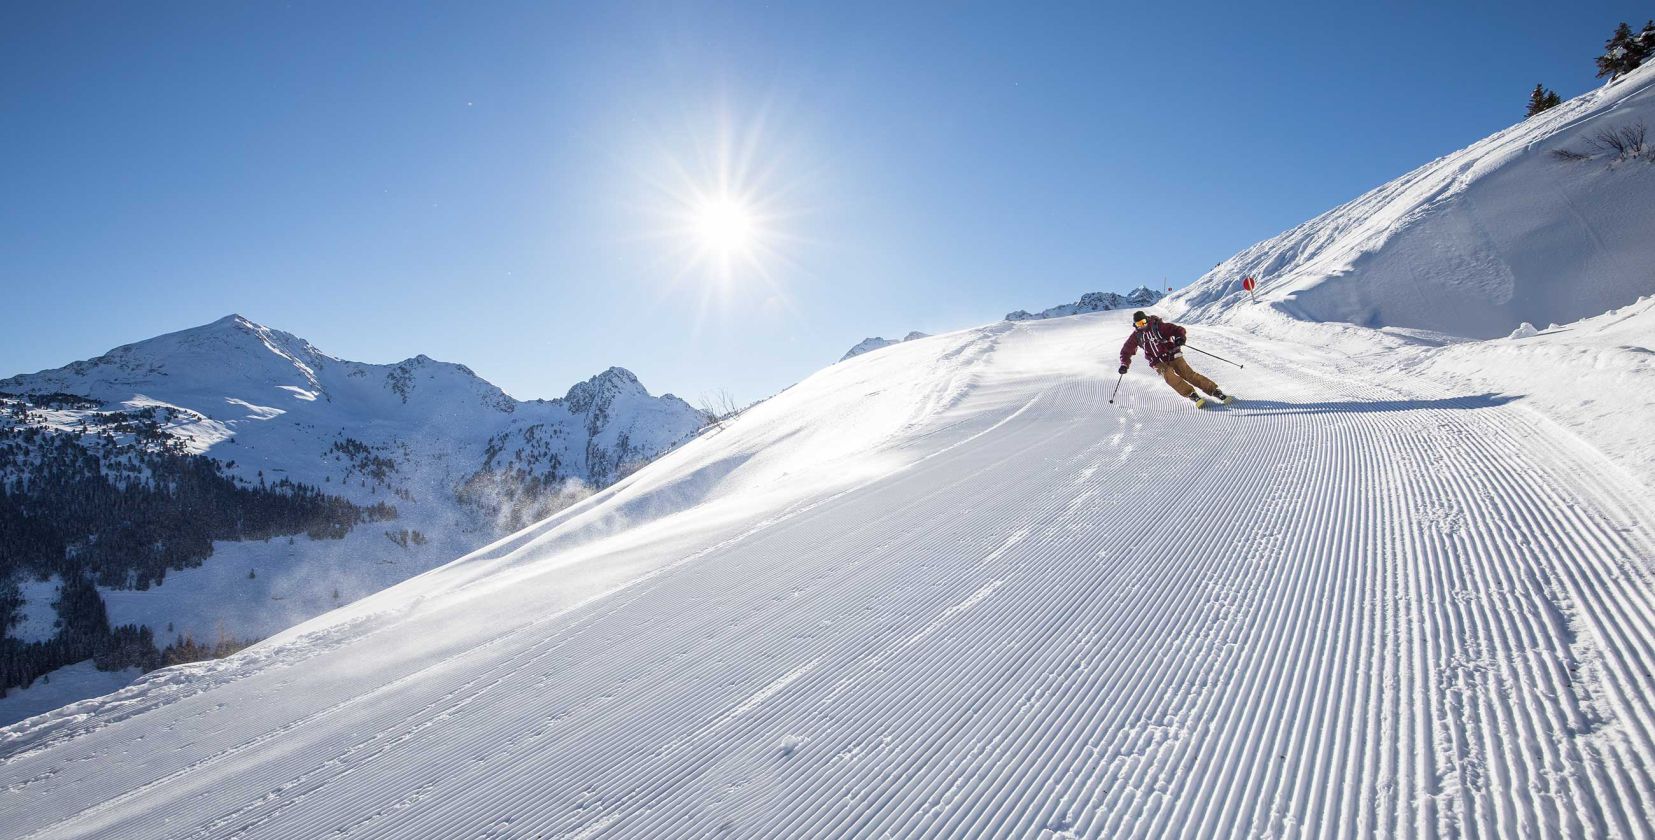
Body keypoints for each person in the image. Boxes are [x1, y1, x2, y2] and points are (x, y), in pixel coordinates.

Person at [1118, 311, 1232, 408]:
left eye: (1143, 322)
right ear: (1135, 325)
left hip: (1172, 354)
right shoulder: (1137, 336)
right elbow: (1126, 350)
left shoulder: (1158, 327)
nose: (1141, 325)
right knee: (1168, 375)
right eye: (1138, 324)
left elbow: (1178, 329)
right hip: (1157, 361)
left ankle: (1214, 390)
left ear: (1147, 320)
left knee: (1188, 374)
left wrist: (1180, 338)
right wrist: (1124, 364)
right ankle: (1191, 394)